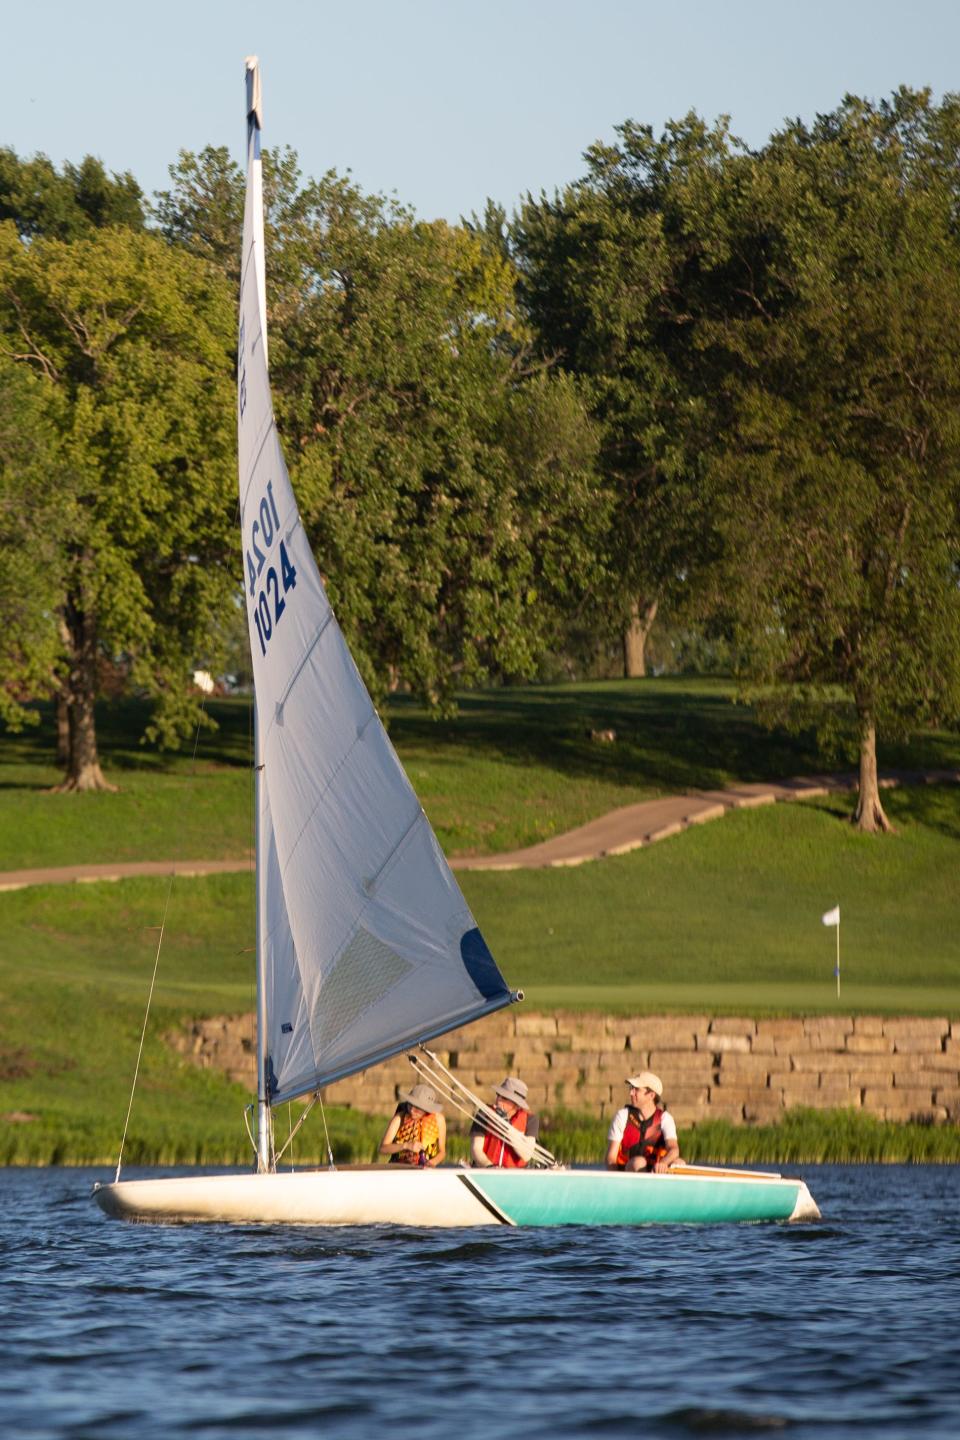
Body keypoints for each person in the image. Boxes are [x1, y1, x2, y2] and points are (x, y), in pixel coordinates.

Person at [605, 1072, 682, 1173]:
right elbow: (611, 1158)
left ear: (651, 1095)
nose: (631, 1093)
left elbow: (674, 1149)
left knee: (679, 1163)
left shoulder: (665, 1119)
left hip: (655, 1170)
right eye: (631, 1088)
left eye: (636, 1089)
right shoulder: (622, 1116)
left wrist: (663, 1163)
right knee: (638, 1162)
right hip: (626, 1172)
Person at [470, 1076, 539, 1168]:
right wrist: (489, 1166)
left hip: (515, 1175)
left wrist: (507, 1127)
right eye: (498, 1095)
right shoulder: (484, 1114)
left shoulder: (530, 1119)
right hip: (486, 1170)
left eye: (504, 1098)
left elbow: (526, 1155)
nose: (498, 1099)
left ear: (516, 1104)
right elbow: (476, 1148)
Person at [379, 1083, 446, 1167]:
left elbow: (442, 1152)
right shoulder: (399, 1118)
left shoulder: (439, 1119)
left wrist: (431, 1163)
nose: (412, 1110)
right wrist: (406, 1145)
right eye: (410, 1105)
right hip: (399, 1170)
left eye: (418, 1108)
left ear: (427, 1109)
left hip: (427, 1171)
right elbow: (382, 1148)